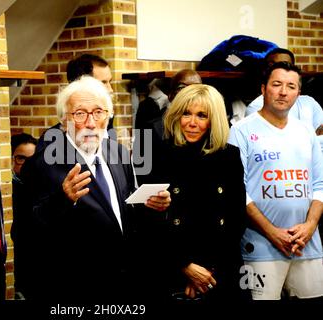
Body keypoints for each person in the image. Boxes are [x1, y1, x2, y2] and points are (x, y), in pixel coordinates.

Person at [18, 75, 170, 301]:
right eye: (79, 114)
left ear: (108, 117)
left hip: (123, 286)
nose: (90, 123)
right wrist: (62, 200)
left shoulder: (117, 153)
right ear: (63, 120)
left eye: (98, 112)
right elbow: (24, 235)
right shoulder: (41, 165)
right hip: (74, 291)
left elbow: (123, 215)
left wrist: (151, 206)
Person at [136, 84, 248, 301]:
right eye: (186, 113)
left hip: (219, 271)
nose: (192, 123)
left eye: (201, 115)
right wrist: (184, 266)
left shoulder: (229, 156)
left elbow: (237, 218)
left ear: (213, 120)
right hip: (171, 271)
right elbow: (148, 221)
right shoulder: (159, 155)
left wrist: (206, 273)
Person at [229, 62, 323, 300]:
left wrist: (310, 226)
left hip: (307, 245)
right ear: (263, 89)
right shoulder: (240, 131)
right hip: (258, 248)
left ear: (298, 94)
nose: (283, 92)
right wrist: (272, 233)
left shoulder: (306, 132)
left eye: (291, 86)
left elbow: (319, 186)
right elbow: (237, 192)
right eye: (277, 84)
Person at [244, 48, 323, 152]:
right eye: (275, 66)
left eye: (286, 66)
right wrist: (313, 139)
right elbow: (272, 147)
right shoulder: (256, 107)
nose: (282, 71)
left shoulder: (309, 102)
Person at [37, 54, 116, 151]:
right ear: (79, 84)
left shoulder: (107, 124)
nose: (110, 89)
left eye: (109, 82)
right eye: (103, 83)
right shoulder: (51, 142)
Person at [9, 132, 37, 300]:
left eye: (32, 159)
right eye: (21, 158)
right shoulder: (7, 189)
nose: (27, 164)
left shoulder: (43, 188)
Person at [135, 70, 202, 130]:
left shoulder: (207, 123)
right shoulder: (155, 127)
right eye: (181, 88)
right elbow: (143, 142)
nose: (189, 93)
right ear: (170, 96)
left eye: (196, 88)